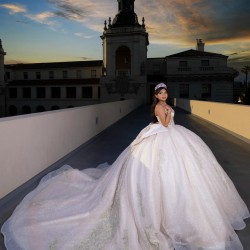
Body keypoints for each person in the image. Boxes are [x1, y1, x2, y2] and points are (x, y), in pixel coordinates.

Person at [1, 83, 249, 250]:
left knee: (188, 173)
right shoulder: (159, 108)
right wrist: (166, 112)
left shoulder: (165, 106)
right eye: (161, 94)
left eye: (165, 93)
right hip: (164, 136)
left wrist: (169, 113)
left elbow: (168, 123)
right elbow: (163, 125)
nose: (164, 96)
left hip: (174, 137)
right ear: (156, 96)